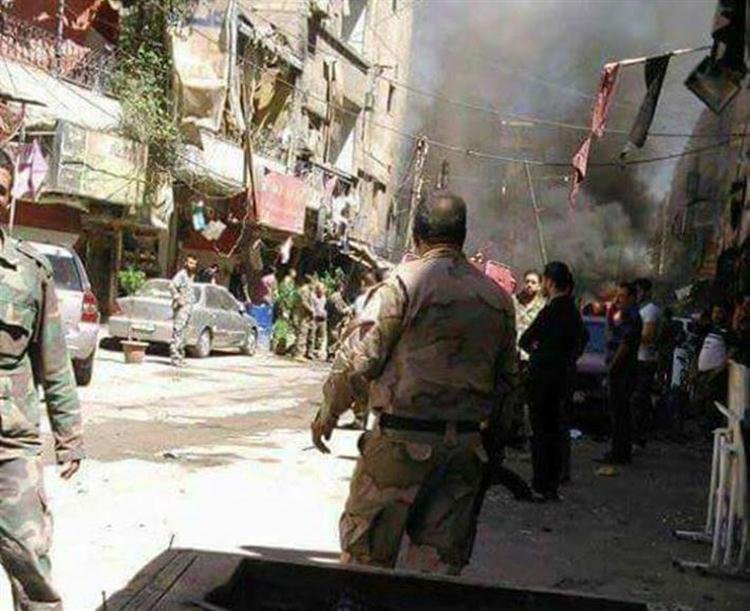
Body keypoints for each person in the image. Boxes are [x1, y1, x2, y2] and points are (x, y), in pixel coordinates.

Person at [310, 191, 518, 575]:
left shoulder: (403, 284)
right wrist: (492, 451)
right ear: (462, 236)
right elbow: (508, 387)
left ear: (417, 235)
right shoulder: (498, 299)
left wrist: (328, 412)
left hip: (399, 446)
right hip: (463, 450)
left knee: (366, 566)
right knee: (434, 578)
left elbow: (358, 361)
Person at [0, 148, 84, 609]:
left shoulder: (30, 272)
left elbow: (54, 362)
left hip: (10, 447)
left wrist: (69, 436)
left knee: (29, 561)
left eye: (0, 190)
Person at [519, 262, 585, 501]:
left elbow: (525, 340)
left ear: (549, 282)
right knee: (557, 431)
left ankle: (541, 483)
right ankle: (553, 484)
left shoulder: (551, 311)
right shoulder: (573, 312)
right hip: (563, 379)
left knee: (540, 433)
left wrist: (540, 353)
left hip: (541, 379)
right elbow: (582, 340)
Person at [597, 282, 643, 465]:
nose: (618, 300)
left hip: (623, 370)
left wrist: (612, 367)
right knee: (618, 412)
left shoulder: (632, 316)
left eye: (622, 296)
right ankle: (619, 450)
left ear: (632, 298)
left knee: (620, 412)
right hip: (620, 369)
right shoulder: (622, 314)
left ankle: (620, 452)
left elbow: (625, 344)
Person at [631, 278, 661, 446]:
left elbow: (648, 337)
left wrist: (629, 335)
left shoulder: (650, 311)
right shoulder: (641, 310)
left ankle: (637, 437)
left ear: (647, 292)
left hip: (644, 361)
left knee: (638, 400)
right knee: (639, 400)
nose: (637, 295)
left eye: (640, 291)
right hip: (639, 360)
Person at [170, 255, 197, 366]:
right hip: (181, 308)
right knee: (178, 331)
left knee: (183, 334)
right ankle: (175, 358)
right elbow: (172, 286)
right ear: (186, 263)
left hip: (188, 309)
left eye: (194, 264)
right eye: (190, 263)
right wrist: (178, 298)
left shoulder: (191, 276)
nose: (192, 265)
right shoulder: (181, 274)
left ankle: (180, 357)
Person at [514, 270, 546, 361]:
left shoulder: (543, 307)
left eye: (533, 282)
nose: (529, 285)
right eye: (527, 282)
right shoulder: (514, 301)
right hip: (513, 352)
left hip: (531, 355)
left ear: (539, 286)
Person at [293, 276, 315, 360]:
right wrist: (311, 310)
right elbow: (304, 302)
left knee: (306, 334)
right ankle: (299, 354)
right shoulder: (304, 290)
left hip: (306, 316)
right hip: (302, 315)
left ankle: (303, 353)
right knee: (302, 334)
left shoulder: (308, 290)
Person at [311, 281, 328, 360]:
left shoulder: (324, 298)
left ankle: (317, 352)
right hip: (315, 318)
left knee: (321, 336)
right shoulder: (313, 297)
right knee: (312, 335)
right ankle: (310, 351)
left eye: (323, 289)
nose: (322, 291)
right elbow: (312, 307)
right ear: (317, 289)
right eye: (321, 289)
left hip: (323, 319)